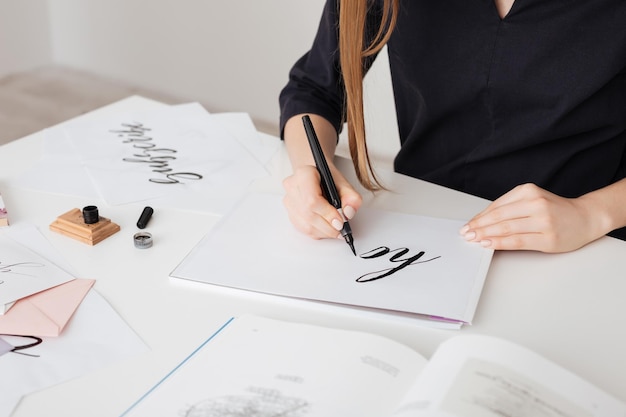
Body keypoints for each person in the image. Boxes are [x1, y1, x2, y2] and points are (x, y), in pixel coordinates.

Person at [279, 0, 626, 253]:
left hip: (591, 247)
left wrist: (592, 215)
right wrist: (310, 171)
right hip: (424, 230)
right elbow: (315, 90)